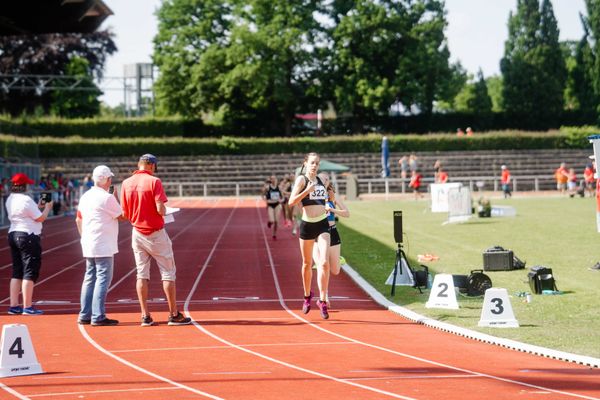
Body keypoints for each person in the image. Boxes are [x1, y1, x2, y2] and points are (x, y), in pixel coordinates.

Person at [120, 154, 191, 327]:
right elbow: (160, 209)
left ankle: (145, 315)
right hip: (156, 233)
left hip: (137, 233)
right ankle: (173, 314)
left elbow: (124, 214)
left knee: (141, 274)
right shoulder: (154, 182)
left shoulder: (125, 183)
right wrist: (167, 211)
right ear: (151, 165)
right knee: (168, 273)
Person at [75, 165, 123, 326]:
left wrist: (84, 237)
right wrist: (116, 197)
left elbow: (78, 219)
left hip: (89, 242)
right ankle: (98, 316)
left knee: (89, 278)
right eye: (110, 178)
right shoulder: (106, 197)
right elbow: (122, 215)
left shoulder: (85, 196)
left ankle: (85, 314)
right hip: (103, 243)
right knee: (102, 279)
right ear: (107, 180)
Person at [288, 152, 331, 319]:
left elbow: (329, 196)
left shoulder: (323, 179)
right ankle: (307, 296)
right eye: (312, 163)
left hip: (322, 224)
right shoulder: (301, 180)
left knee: (324, 262)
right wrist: (307, 191)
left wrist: (330, 203)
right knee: (307, 264)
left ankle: (323, 300)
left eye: (317, 163)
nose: (315, 166)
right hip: (307, 225)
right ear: (305, 163)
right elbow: (291, 202)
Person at [6, 173, 53, 315]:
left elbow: (28, 214)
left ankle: (14, 306)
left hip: (13, 233)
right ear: (24, 185)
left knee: (17, 271)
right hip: (28, 236)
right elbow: (40, 218)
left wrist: (38, 206)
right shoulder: (26, 200)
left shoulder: (10, 199)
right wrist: (47, 207)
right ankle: (27, 306)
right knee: (29, 271)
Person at [312, 174, 349, 306]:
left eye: (327, 179)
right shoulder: (313, 194)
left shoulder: (333, 195)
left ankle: (337, 259)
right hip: (317, 233)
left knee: (335, 270)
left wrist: (331, 208)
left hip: (332, 232)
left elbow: (347, 213)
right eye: (321, 179)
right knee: (322, 266)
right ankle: (324, 297)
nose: (324, 181)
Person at [264, 175, 283, 239]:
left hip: (277, 204)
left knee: (276, 221)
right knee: (272, 220)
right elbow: (263, 195)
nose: (273, 180)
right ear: (270, 180)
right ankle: (269, 222)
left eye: (274, 179)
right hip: (270, 205)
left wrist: (281, 200)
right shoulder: (267, 187)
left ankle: (274, 234)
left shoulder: (279, 187)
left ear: (276, 179)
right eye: (272, 179)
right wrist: (266, 200)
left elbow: (282, 198)